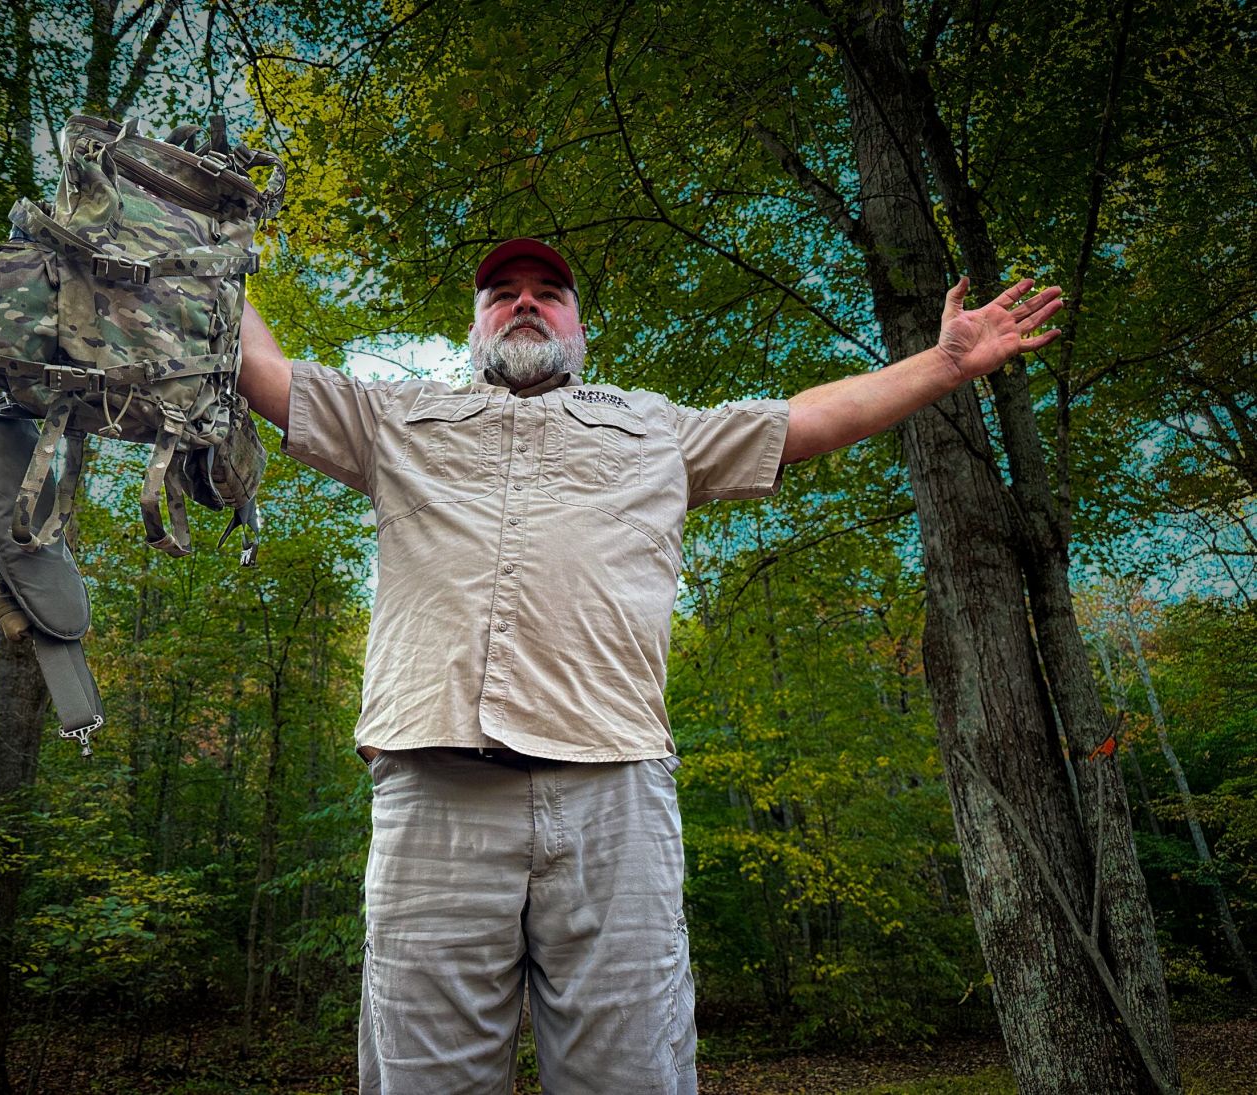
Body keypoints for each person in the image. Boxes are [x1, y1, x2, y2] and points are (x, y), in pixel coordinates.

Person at [236, 238, 1062, 1094]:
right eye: (502, 294)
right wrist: (210, 247)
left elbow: (806, 419)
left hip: (615, 794)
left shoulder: (656, 425)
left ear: (580, 328)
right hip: (433, 791)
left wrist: (946, 361)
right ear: (475, 326)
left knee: (630, 1076)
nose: (525, 303)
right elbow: (263, 372)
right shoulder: (393, 418)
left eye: (548, 292)